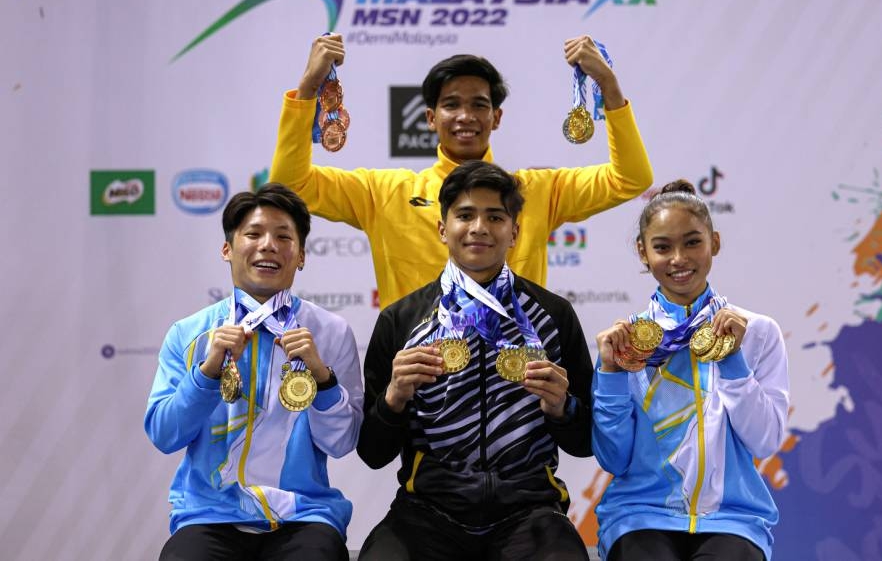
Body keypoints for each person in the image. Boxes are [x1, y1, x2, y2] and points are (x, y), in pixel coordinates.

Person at [269, 33, 653, 308]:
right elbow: (292, 184)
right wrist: (308, 88)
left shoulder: (536, 190)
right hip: (417, 384)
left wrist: (608, 86)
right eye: (451, 105)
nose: (466, 116)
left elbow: (630, 178)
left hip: (515, 379)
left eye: (479, 105)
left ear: (496, 117)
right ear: (431, 118)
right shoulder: (383, 192)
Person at [356, 160, 594, 560]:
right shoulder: (401, 320)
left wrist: (562, 408)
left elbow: (587, 442)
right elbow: (372, 453)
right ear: (442, 229)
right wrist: (394, 398)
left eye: (495, 217)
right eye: (465, 215)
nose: (479, 227)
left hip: (530, 511)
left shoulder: (552, 316)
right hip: (426, 512)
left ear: (515, 231)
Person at [144, 183, 364, 561]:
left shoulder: (330, 332)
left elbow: (342, 443)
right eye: (253, 234)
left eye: (283, 236)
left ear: (301, 256)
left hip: (304, 515)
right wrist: (207, 373)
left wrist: (322, 379)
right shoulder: (190, 333)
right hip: (209, 515)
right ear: (227, 249)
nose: (268, 245)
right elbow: (165, 435)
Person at [591, 180, 789, 561]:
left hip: (732, 517)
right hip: (639, 516)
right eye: (663, 247)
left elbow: (764, 441)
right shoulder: (625, 344)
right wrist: (612, 375)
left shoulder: (758, 332)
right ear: (643, 252)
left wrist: (732, 359)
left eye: (693, 242)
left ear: (714, 242)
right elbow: (614, 459)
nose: (679, 258)